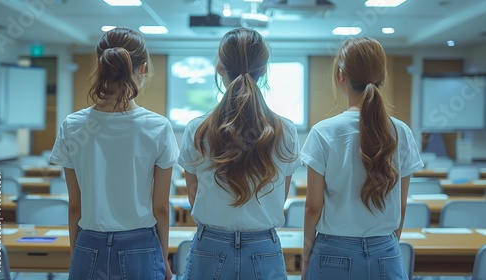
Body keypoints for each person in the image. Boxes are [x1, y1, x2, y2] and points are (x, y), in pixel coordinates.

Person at [49, 27, 179, 280]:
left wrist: (78, 254)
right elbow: (161, 207)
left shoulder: (72, 125)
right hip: (140, 246)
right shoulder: (158, 126)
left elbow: (75, 206)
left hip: (89, 242)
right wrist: (162, 258)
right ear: (142, 69)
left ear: (101, 66)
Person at [178, 27, 302, 279]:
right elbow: (282, 194)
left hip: (210, 246)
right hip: (263, 247)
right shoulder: (285, 130)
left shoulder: (196, 129)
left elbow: (194, 195)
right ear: (264, 70)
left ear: (219, 67)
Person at [300, 37, 424, 280]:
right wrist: (385, 249)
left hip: (332, 252)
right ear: (382, 77)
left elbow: (313, 207)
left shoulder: (323, 132)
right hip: (385, 251)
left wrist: (305, 260)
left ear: (340, 76)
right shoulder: (401, 131)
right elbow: (401, 205)